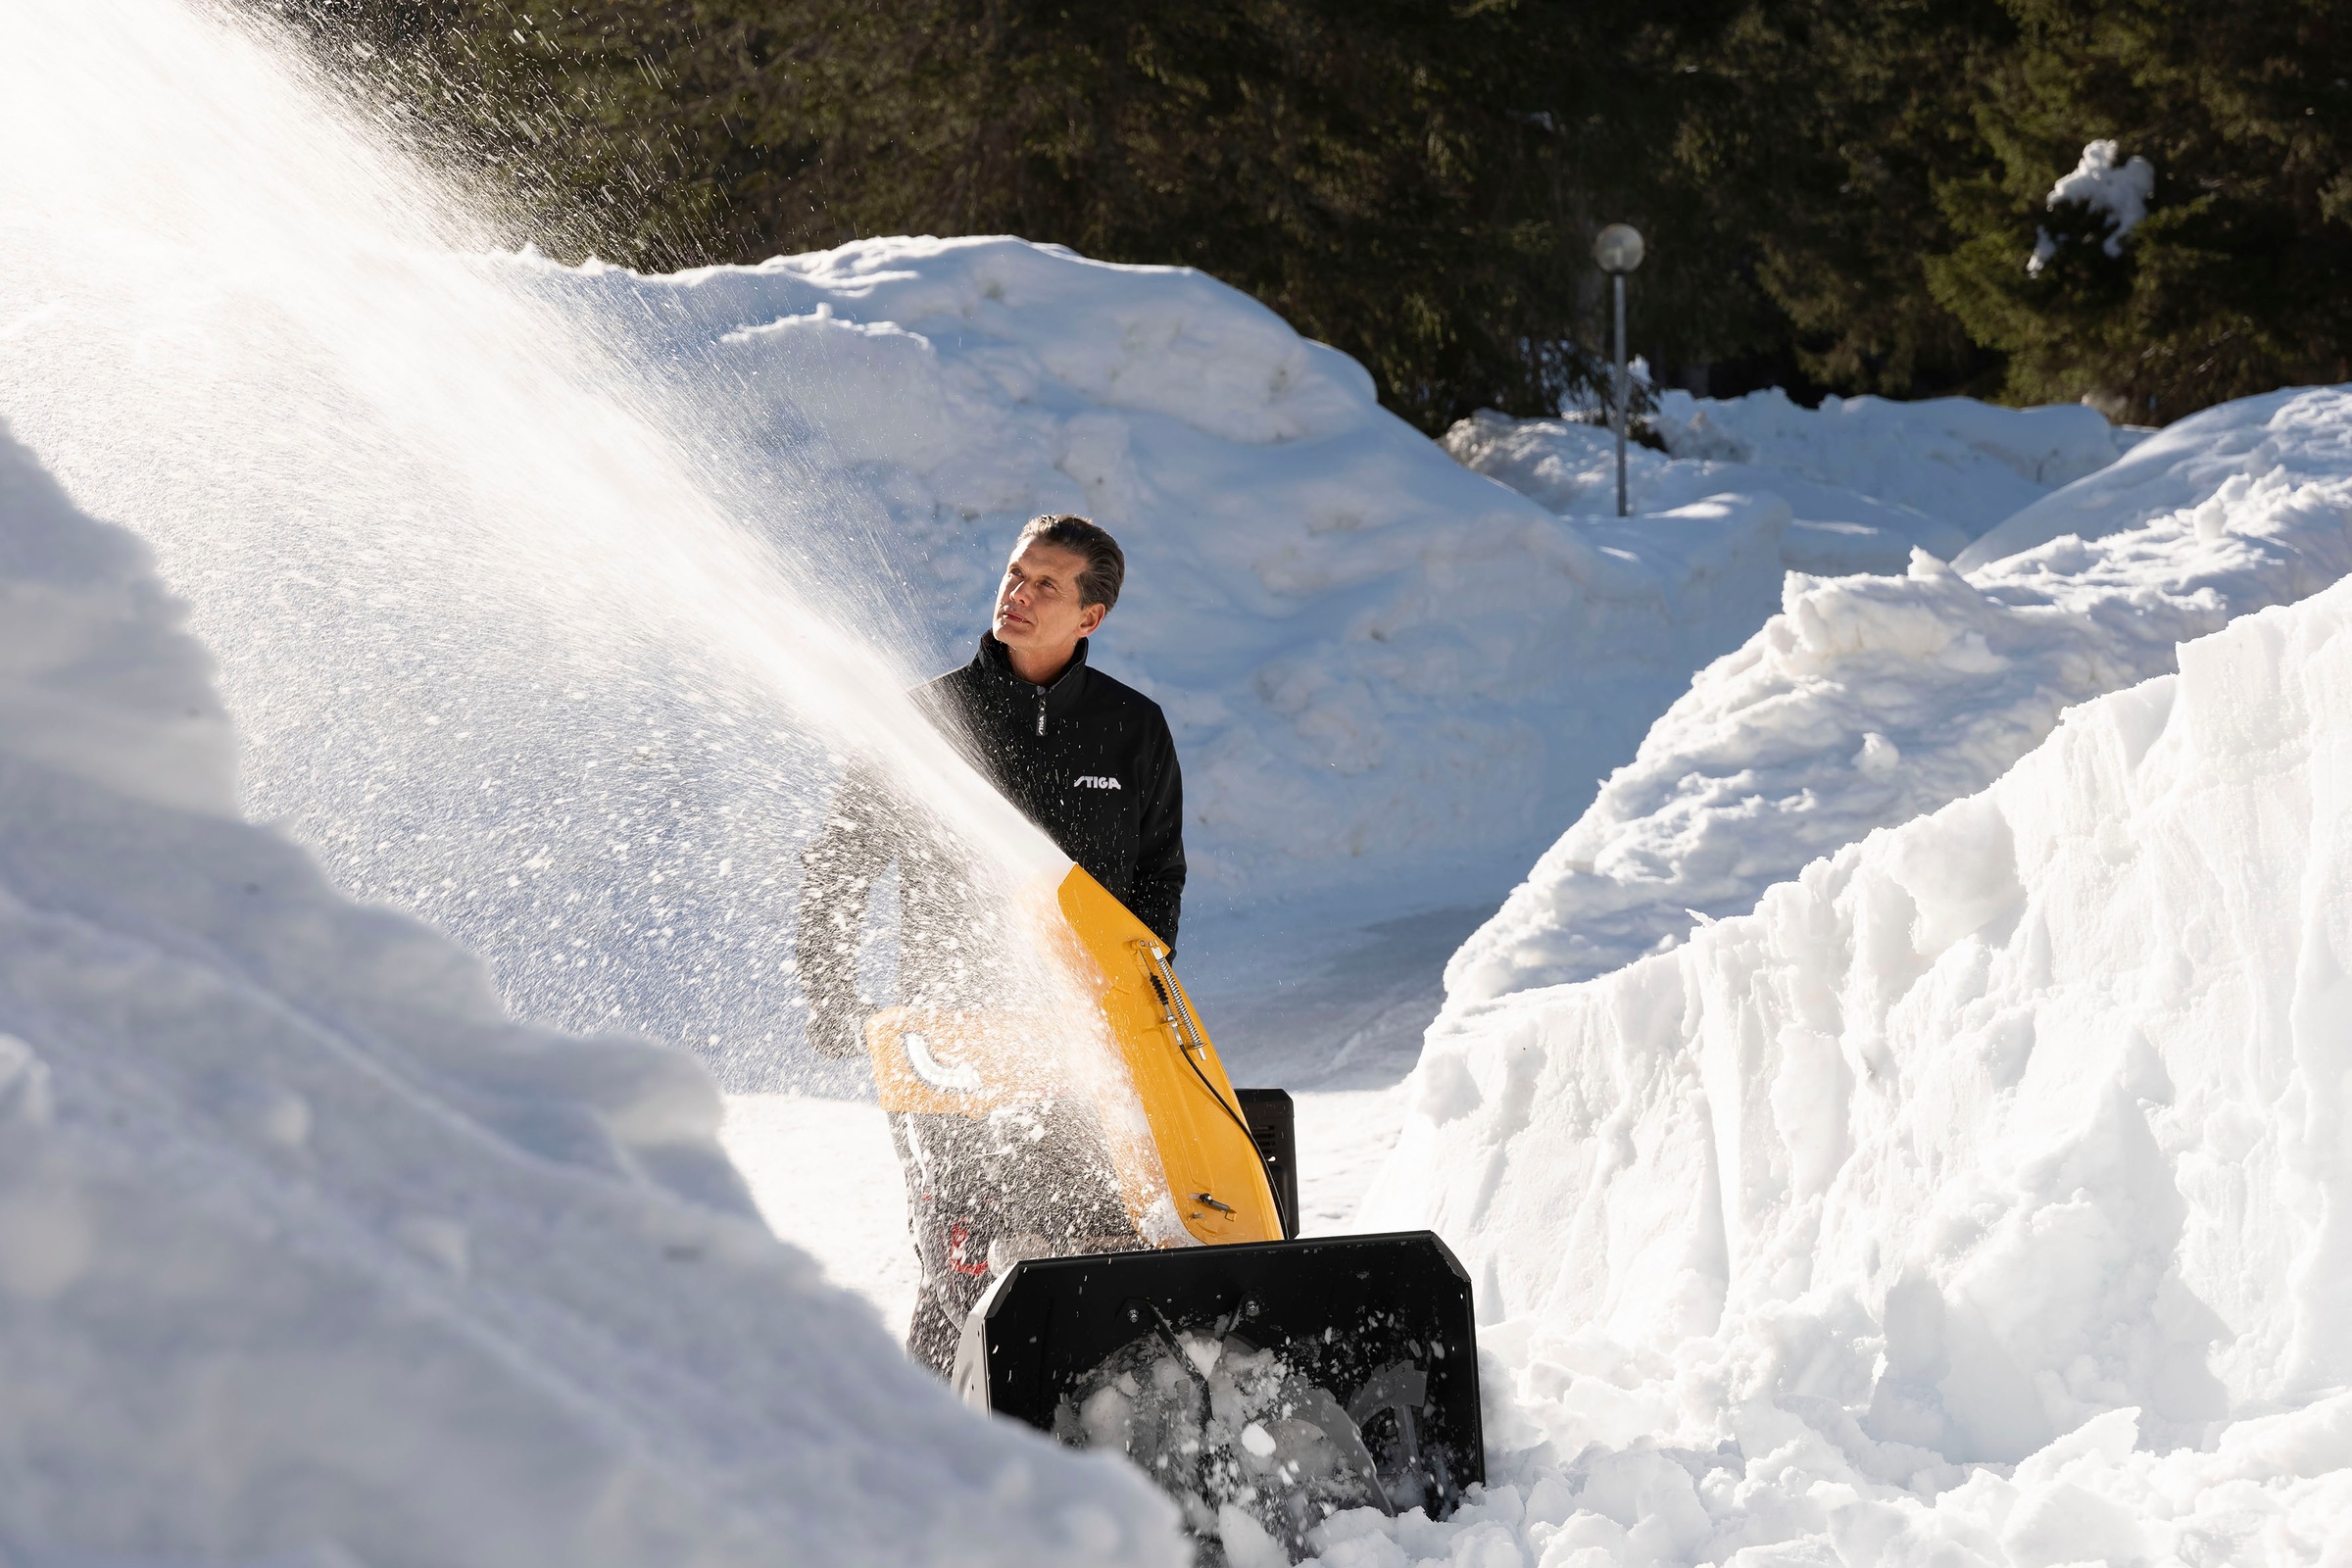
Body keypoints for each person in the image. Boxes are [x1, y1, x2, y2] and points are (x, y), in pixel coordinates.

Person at [797, 514, 1187, 1374]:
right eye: (1017, 573)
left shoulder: (1132, 729)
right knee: (962, 1265)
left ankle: (1076, 1442)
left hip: (1081, 1043)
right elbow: (841, 862)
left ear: (1092, 616)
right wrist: (832, 992)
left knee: (1095, 1242)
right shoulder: (931, 719)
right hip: (946, 1045)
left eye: (1049, 584)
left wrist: (1140, 998)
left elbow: (1159, 878)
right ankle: (936, 1451)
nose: (1020, 593)